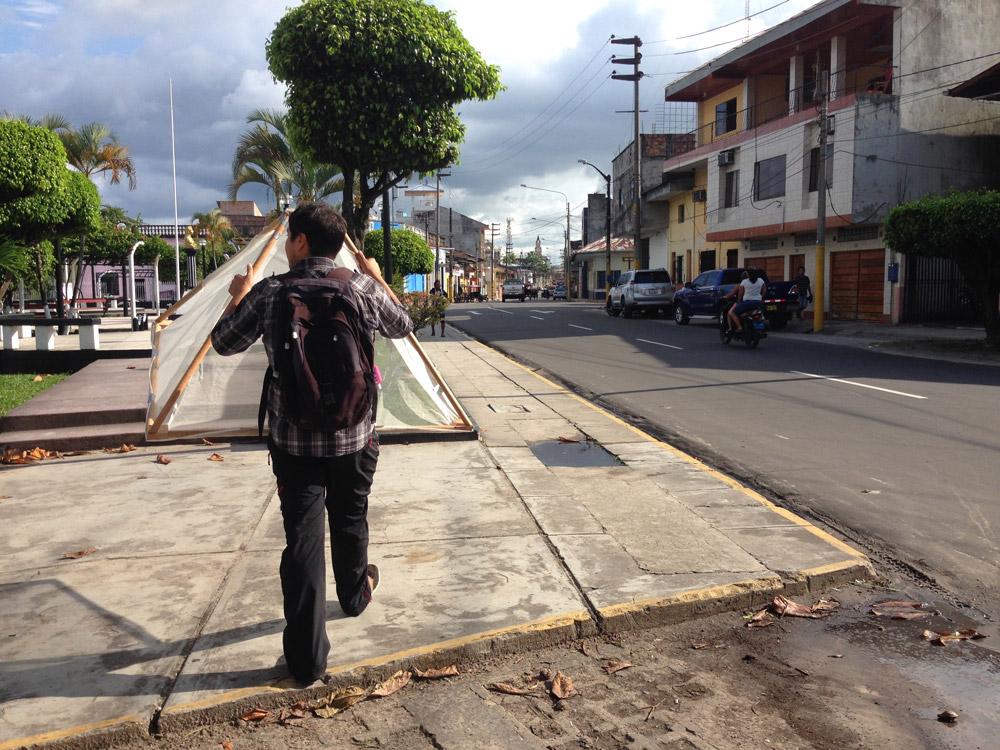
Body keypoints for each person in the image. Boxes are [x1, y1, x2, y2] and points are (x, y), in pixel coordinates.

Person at [210, 203, 413, 686]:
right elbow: (402, 324)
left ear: (300, 241)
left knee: (302, 540)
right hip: (355, 435)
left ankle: (306, 661)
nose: (284, 244)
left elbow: (223, 342)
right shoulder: (359, 287)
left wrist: (235, 298)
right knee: (350, 516)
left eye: (288, 237)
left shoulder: (272, 292)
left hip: (294, 442)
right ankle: (354, 595)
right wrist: (379, 278)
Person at [726, 267, 767, 333]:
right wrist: (761, 297)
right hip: (759, 303)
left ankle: (739, 327)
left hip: (747, 303)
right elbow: (764, 290)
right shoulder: (761, 280)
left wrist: (739, 301)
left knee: (733, 312)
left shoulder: (744, 282)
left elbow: (740, 294)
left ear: (749, 274)